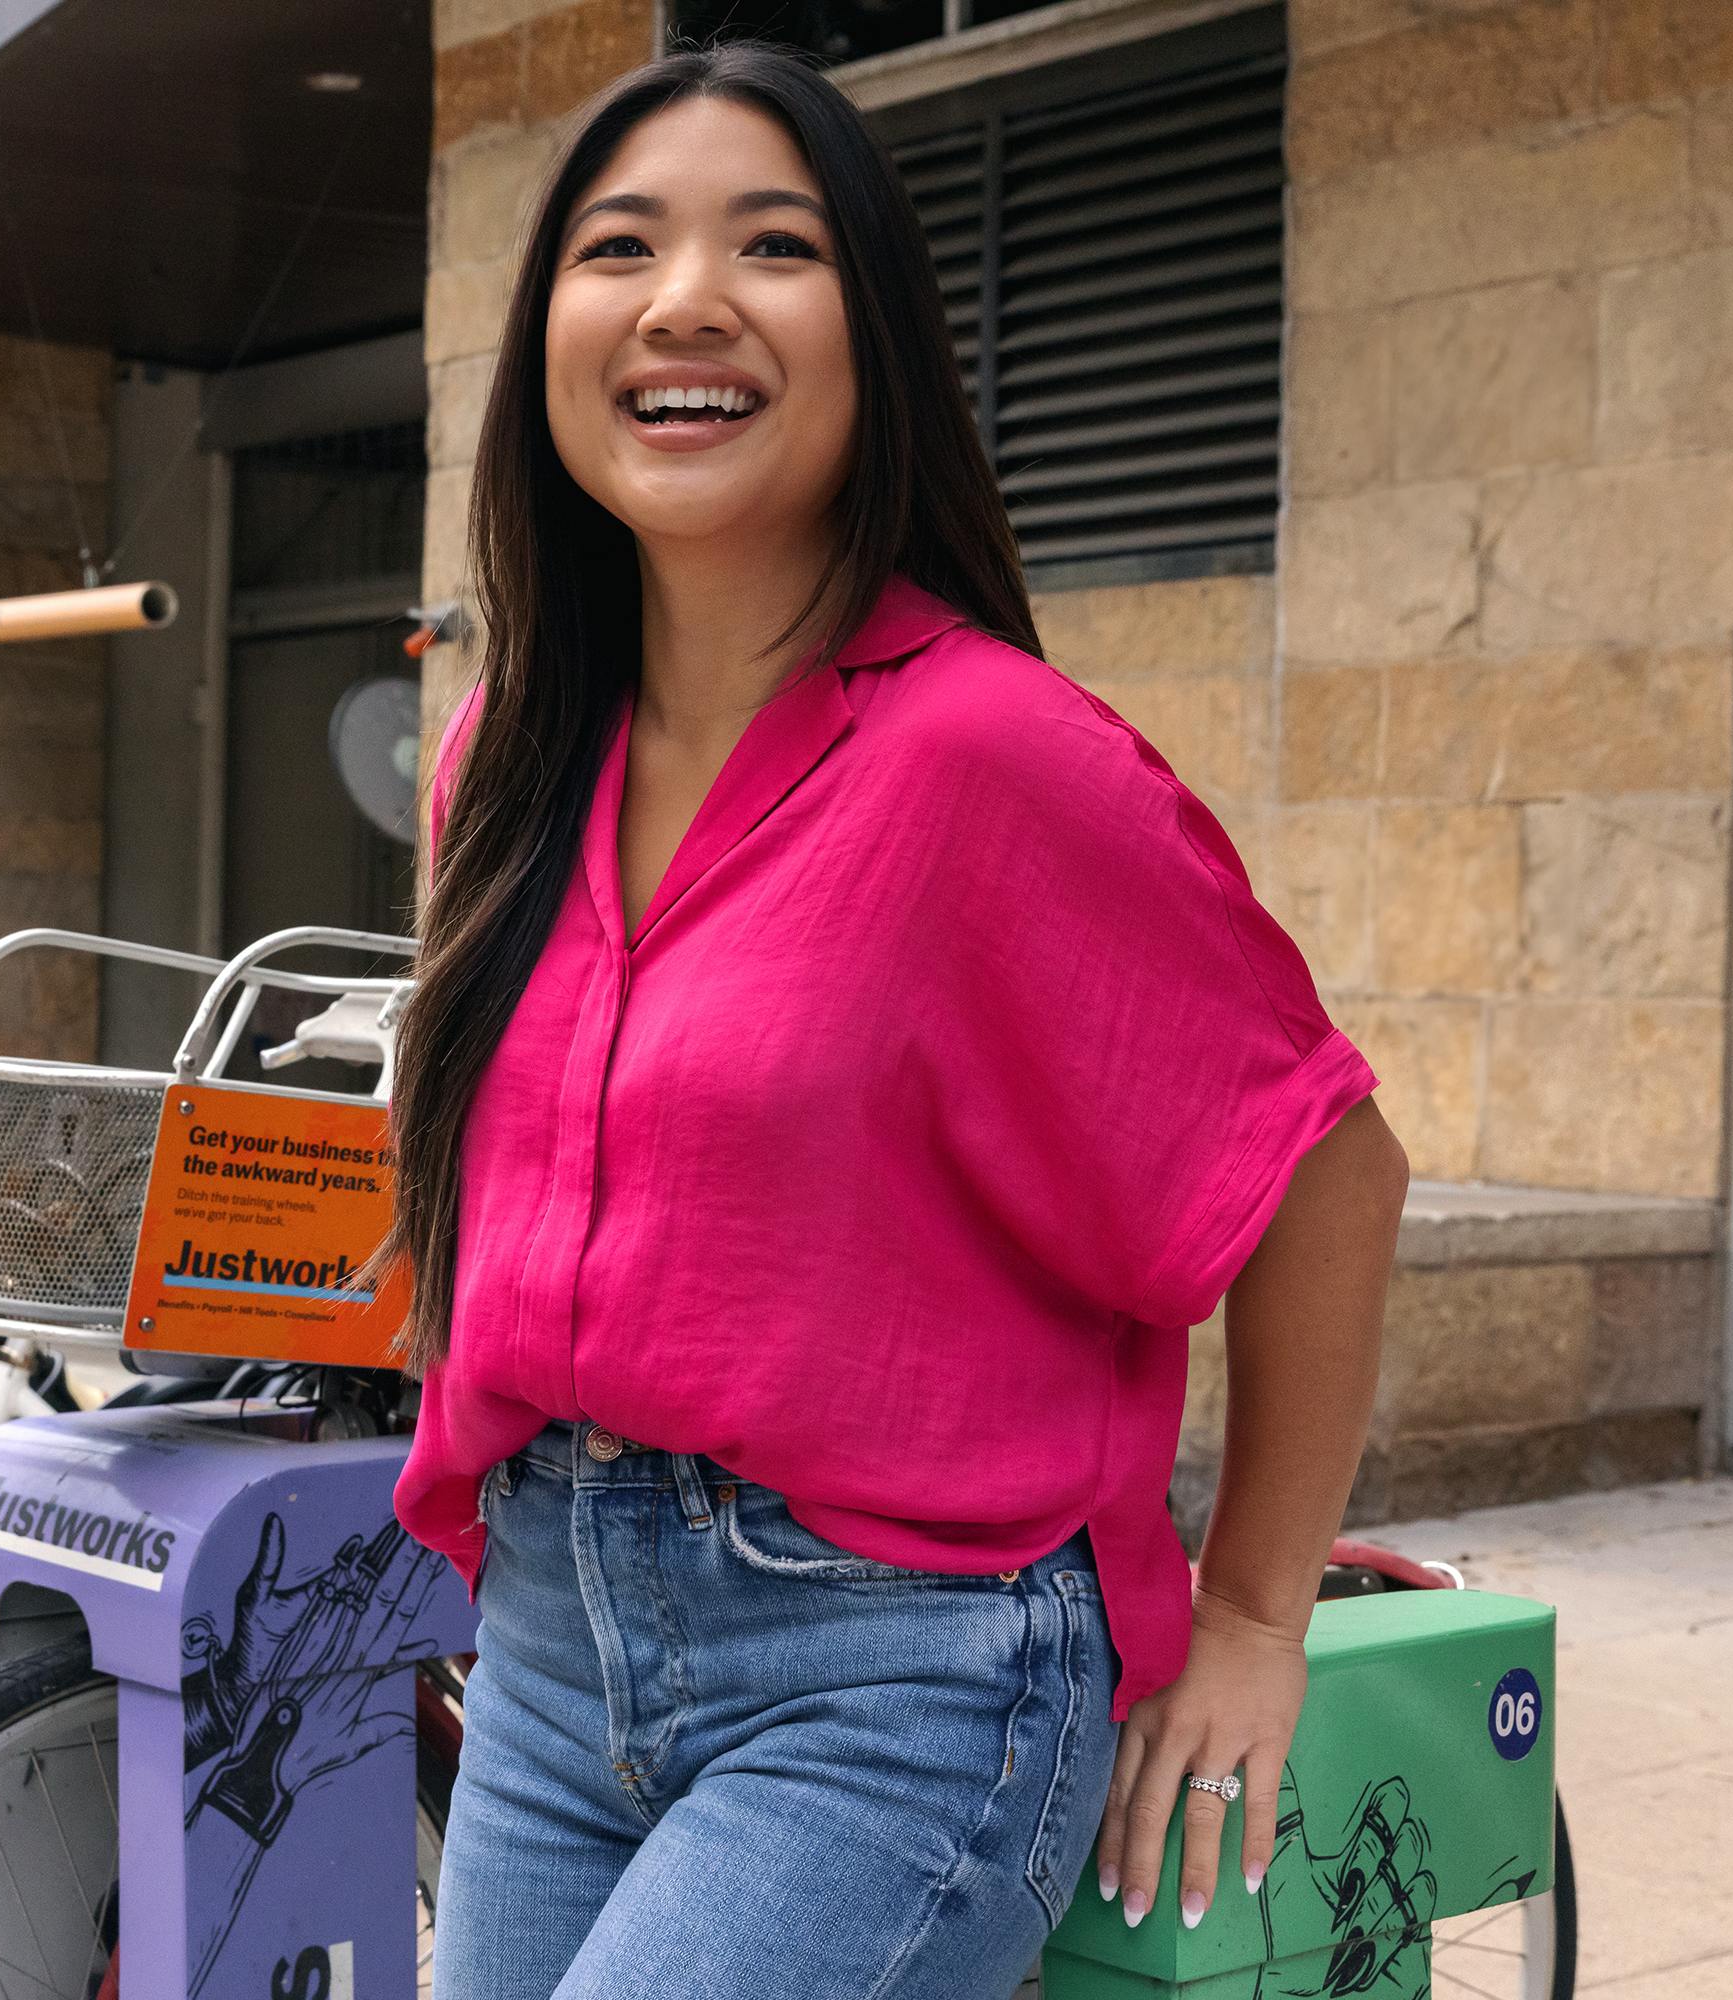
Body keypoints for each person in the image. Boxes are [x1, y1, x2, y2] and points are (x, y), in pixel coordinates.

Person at [376, 36, 1408, 2000]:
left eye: (771, 244)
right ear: (545, 345)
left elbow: (1322, 1172)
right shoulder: (499, 762)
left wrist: (1257, 1610)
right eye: (617, 246)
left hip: (898, 1666)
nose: (683, 297)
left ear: (878, 343)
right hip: (551, 1631)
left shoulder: (997, 763)